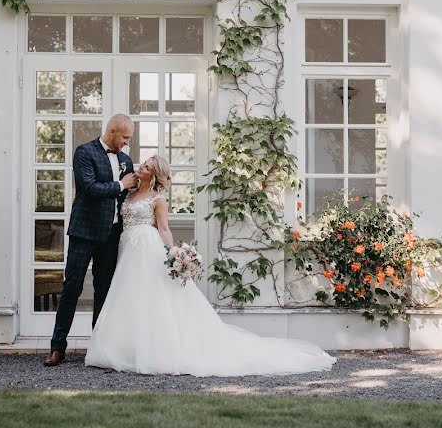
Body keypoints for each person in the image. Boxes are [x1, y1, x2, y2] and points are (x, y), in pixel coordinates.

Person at [85, 155, 336, 376]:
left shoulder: (158, 199)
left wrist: (174, 255)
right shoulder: (127, 194)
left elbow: (163, 229)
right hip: (127, 247)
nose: (140, 167)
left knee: (152, 298)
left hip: (147, 249)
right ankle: (126, 348)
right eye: (143, 163)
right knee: (129, 297)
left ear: (155, 174)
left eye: (147, 166)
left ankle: (155, 349)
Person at [43, 114, 136, 367]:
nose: (127, 143)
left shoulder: (126, 160)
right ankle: (57, 348)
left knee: (103, 291)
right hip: (84, 233)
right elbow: (90, 188)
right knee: (71, 287)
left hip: (111, 235)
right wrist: (120, 185)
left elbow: (128, 196)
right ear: (112, 131)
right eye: (125, 137)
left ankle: (98, 348)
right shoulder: (84, 152)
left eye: (130, 138)